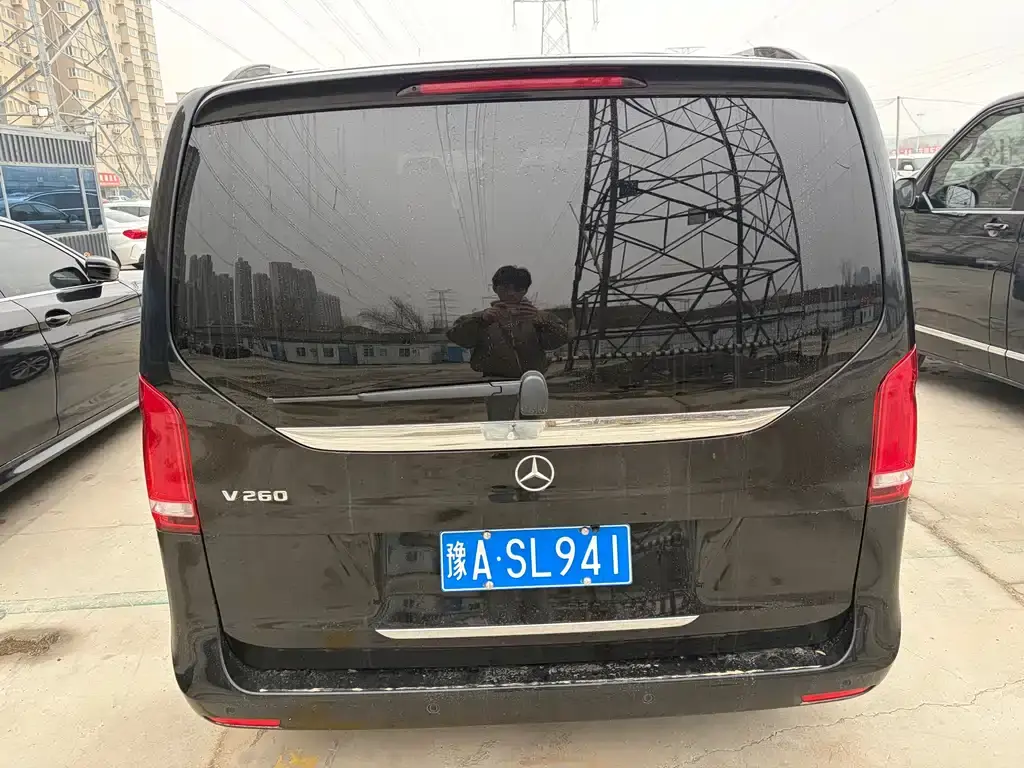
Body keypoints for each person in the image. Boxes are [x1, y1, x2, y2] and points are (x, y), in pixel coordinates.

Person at [447, 266, 568, 379]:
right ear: (495, 289)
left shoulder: (540, 317)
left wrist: (542, 321)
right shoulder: (483, 318)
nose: (511, 293)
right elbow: (457, 337)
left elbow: (562, 339)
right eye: (505, 288)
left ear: (525, 290)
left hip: (532, 379)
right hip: (493, 381)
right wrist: (481, 320)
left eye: (518, 289)